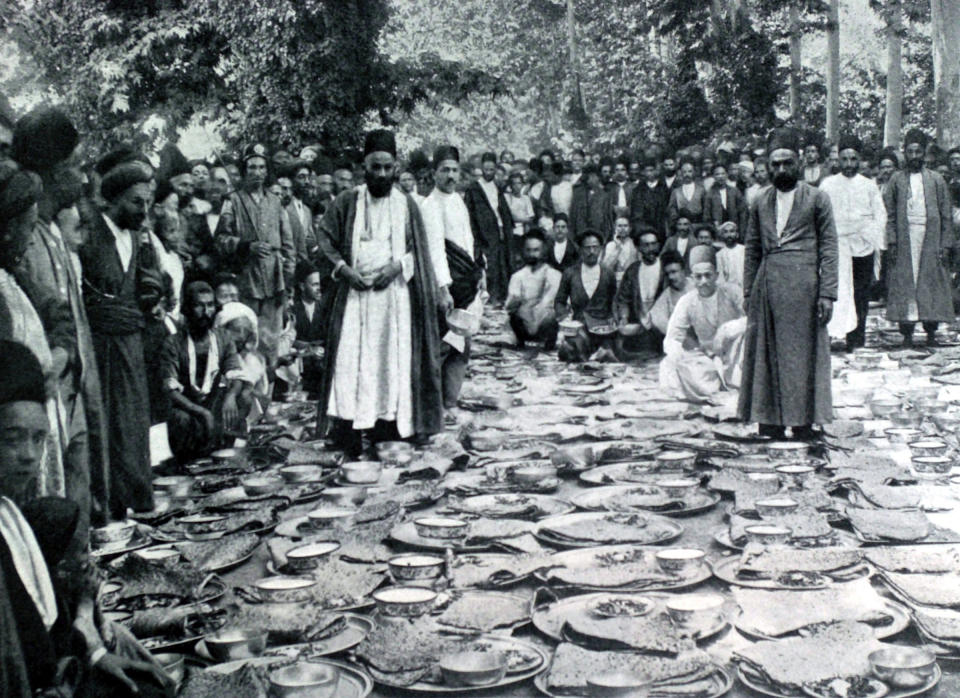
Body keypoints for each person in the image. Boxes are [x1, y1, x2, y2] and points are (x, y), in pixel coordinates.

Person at [0, 340, 175, 698]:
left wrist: (96, 656)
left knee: (152, 687)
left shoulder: (10, 516)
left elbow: (48, 632)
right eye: (12, 439)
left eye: (39, 440)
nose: (29, 457)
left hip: (59, 678)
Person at [315, 129, 443, 456]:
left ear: (396, 166)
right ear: (364, 167)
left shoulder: (407, 205)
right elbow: (325, 241)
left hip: (393, 297)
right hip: (356, 296)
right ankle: (350, 428)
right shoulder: (346, 201)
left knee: (389, 361)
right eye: (376, 167)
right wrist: (344, 270)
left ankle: (389, 426)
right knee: (352, 361)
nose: (383, 174)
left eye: (388, 167)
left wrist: (398, 267)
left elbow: (421, 252)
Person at [16, 163, 111, 532]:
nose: (80, 176)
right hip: (46, 389)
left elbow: (58, 311)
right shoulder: (31, 240)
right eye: (70, 164)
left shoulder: (53, 231)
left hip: (73, 377)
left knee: (79, 473)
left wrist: (63, 348)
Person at [739, 127, 838, 440]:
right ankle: (768, 421)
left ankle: (803, 421)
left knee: (801, 358)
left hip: (804, 289)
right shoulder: (759, 200)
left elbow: (830, 247)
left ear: (798, 164)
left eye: (787, 163)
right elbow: (752, 248)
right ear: (768, 167)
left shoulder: (818, 198)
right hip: (767, 288)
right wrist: (747, 292)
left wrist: (827, 294)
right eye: (775, 164)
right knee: (765, 357)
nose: (781, 169)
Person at [79, 146, 159, 516]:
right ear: (113, 200)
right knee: (106, 428)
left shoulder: (138, 238)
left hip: (131, 345)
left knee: (132, 426)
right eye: (136, 203)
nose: (144, 211)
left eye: (147, 203)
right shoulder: (91, 234)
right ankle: (109, 510)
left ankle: (134, 503)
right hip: (101, 347)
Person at [215, 143, 296, 365]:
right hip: (246, 278)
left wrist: (287, 279)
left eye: (261, 167)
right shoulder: (232, 200)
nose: (257, 172)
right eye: (251, 167)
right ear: (244, 170)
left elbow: (288, 245)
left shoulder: (276, 201)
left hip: (274, 280)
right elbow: (220, 239)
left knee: (270, 342)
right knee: (244, 338)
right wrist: (245, 246)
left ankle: (267, 393)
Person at [419, 145, 484, 415]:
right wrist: (443, 289)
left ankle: (450, 401)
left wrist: (479, 274)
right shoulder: (429, 205)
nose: (450, 175)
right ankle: (432, 408)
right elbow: (435, 249)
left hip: (466, 280)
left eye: (454, 170)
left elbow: (468, 243)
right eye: (444, 170)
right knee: (443, 346)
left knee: (462, 343)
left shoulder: (458, 200)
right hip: (446, 285)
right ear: (433, 174)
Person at [160, 281, 247, 462]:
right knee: (180, 418)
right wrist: (201, 412)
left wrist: (231, 397)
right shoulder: (173, 343)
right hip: (188, 407)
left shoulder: (223, 338)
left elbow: (235, 374)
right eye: (199, 306)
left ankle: (224, 455)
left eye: (209, 306)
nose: (205, 312)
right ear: (187, 310)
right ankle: (188, 463)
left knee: (242, 397)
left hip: (212, 403)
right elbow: (171, 390)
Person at [883, 129, 955, 347]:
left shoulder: (936, 180)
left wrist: (945, 244)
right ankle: (907, 333)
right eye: (910, 151)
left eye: (918, 152)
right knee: (906, 283)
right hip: (905, 239)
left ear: (925, 154)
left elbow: (946, 215)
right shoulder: (896, 180)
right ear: (905, 152)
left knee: (930, 283)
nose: (914, 156)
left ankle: (930, 332)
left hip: (930, 238)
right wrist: (893, 240)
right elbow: (890, 214)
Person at [819, 135, 887, 351]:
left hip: (861, 246)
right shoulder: (828, 185)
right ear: (837, 160)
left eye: (853, 159)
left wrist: (869, 235)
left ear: (859, 160)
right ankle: (828, 337)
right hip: (835, 247)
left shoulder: (868, 185)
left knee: (860, 294)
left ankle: (855, 340)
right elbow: (819, 216)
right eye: (844, 159)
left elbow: (880, 215)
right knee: (833, 292)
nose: (849, 164)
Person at [659, 245, 745, 403]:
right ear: (692, 278)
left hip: (736, 355)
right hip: (708, 359)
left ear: (716, 275)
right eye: (698, 277)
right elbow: (673, 337)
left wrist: (730, 328)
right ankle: (714, 391)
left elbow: (753, 319)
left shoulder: (732, 292)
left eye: (708, 275)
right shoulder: (687, 301)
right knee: (670, 365)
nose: (703, 281)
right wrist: (676, 353)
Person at [554, 230, 618, 362]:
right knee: (570, 352)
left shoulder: (608, 273)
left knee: (611, 355)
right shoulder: (570, 273)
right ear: (580, 249)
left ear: (601, 249)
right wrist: (564, 318)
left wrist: (615, 318)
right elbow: (559, 301)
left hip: (604, 327)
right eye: (587, 248)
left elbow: (615, 301)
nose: (592, 251)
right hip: (579, 327)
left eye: (595, 247)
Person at [463, 152, 514, 306]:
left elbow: (502, 211)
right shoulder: (474, 188)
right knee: (488, 266)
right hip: (483, 234)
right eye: (486, 170)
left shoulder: (497, 187)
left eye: (492, 170)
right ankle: (488, 300)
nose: (489, 173)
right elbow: (470, 214)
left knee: (501, 265)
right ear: (482, 168)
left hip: (499, 232)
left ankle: (500, 299)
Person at [506, 229, 561, 350]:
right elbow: (510, 304)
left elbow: (550, 301)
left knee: (552, 314)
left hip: (543, 323)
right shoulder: (517, 276)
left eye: (536, 250)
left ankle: (548, 345)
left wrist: (535, 313)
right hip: (524, 322)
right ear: (523, 252)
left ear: (543, 251)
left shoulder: (554, 274)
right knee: (514, 316)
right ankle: (521, 343)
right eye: (528, 250)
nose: (532, 254)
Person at [615, 230, 665, 356]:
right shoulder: (632, 270)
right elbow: (623, 299)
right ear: (638, 248)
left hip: (662, 329)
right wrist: (624, 317)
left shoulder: (666, 269)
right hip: (638, 326)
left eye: (654, 244)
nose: (651, 249)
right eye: (646, 245)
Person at [291, 262, 326, 397]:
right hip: (298, 365)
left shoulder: (324, 308)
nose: (319, 288)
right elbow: (286, 339)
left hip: (320, 365)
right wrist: (308, 349)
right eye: (314, 284)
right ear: (302, 286)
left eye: (319, 284)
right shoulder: (292, 308)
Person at [570, 163, 613, 242]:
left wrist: (606, 238)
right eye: (589, 176)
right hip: (581, 236)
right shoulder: (578, 194)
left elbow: (608, 219)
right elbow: (573, 217)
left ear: (598, 177)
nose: (591, 179)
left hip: (599, 235)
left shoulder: (605, 195)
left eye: (594, 176)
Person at [629, 157, 669, 242]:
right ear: (643, 172)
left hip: (661, 232)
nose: (650, 173)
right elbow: (637, 214)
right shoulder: (638, 191)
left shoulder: (664, 190)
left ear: (656, 171)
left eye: (652, 170)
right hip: (643, 232)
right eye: (647, 171)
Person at [705, 163, 748, 235]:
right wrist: (715, 228)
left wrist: (741, 230)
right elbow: (707, 216)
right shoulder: (710, 194)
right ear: (713, 176)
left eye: (723, 174)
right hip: (718, 231)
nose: (720, 177)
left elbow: (743, 212)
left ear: (727, 175)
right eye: (717, 174)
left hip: (735, 230)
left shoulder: (735, 191)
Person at [504, 169, 536, 268]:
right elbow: (509, 216)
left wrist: (522, 220)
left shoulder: (525, 199)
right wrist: (522, 219)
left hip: (523, 232)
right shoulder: (507, 197)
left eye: (519, 183)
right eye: (514, 183)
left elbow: (531, 217)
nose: (517, 186)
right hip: (511, 232)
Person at [667, 159, 707, 228]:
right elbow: (672, 208)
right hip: (682, 226)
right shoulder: (676, 191)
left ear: (694, 172)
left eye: (690, 171)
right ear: (681, 173)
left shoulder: (701, 190)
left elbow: (706, 208)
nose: (687, 174)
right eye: (684, 172)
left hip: (698, 224)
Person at [601, 214, 638, 284]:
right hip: (614, 282)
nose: (622, 229)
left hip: (632, 282)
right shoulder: (610, 245)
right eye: (620, 226)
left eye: (625, 226)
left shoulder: (635, 244)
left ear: (630, 228)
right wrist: (617, 248)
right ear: (615, 228)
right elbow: (605, 268)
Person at [716, 222, 745, 292]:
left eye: (732, 231)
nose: (729, 235)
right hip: (730, 291)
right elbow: (721, 277)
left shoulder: (744, 250)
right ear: (722, 235)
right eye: (726, 232)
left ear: (737, 234)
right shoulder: (720, 254)